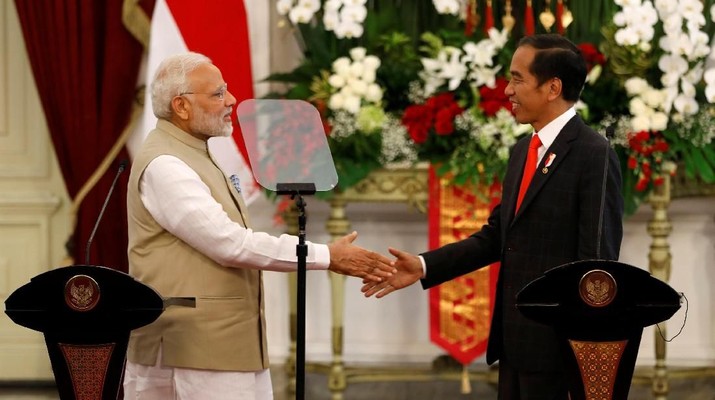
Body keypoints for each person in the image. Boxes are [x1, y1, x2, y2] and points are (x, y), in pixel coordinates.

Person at [363, 34, 624, 399]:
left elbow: (597, 266)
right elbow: (497, 237)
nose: (507, 90)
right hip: (514, 344)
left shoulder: (594, 154)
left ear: (553, 87)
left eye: (517, 79)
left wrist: (583, 355)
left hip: (558, 353)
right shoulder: (522, 151)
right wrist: (423, 266)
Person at [123, 52, 395, 400]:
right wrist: (326, 256)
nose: (232, 100)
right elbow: (229, 244)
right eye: (218, 93)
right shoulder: (166, 165)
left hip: (225, 343)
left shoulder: (194, 151)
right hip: (192, 346)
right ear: (181, 106)